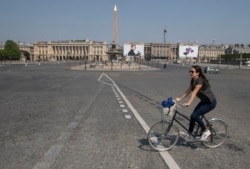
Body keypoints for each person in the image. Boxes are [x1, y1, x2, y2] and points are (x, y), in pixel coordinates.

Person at [175, 65, 217, 141]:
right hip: (204, 101)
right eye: (190, 71)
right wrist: (180, 99)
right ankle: (190, 134)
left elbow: (194, 93)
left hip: (210, 102)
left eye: (192, 71)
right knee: (192, 116)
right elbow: (188, 91)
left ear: (197, 73)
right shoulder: (193, 80)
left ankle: (206, 131)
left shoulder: (200, 81)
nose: (190, 73)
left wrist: (188, 103)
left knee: (195, 115)